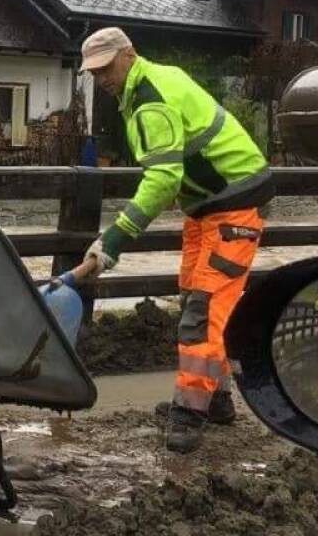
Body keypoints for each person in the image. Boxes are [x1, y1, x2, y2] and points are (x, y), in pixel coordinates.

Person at [74, 27, 273, 454]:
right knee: (198, 302)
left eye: (106, 67)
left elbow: (164, 179)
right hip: (207, 207)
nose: (102, 78)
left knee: (203, 309)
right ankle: (215, 401)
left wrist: (112, 241)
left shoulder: (150, 100)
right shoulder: (148, 85)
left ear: (129, 55)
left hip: (233, 205)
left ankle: (189, 414)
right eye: (93, 72)